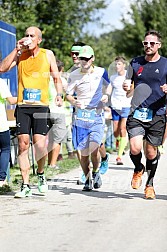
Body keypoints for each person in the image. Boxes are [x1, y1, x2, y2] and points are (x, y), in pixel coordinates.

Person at [0, 26, 63, 197]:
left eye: (32, 36)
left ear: (39, 40)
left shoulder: (47, 54)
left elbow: (56, 77)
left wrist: (59, 94)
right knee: (23, 144)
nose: (28, 38)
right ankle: (25, 184)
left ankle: (41, 174)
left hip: (41, 106)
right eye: (26, 35)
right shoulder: (20, 55)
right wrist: (16, 49)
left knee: (40, 145)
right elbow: (2, 68)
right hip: (23, 106)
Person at [123, 30, 167, 199]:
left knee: (150, 152)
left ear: (159, 45)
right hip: (137, 111)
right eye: (145, 43)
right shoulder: (135, 63)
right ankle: (138, 168)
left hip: (157, 113)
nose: (148, 46)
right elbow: (129, 88)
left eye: (152, 43)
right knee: (134, 147)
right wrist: (126, 88)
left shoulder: (165, 64)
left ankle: (150, 184)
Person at [66, 45, 110, 191]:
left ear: (92, 59)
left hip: (96, 115)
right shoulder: (74, 75)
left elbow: (109, 86)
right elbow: (68, 94)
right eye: (81, 58)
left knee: (94, 148)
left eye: (87, 58)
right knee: (83, 153)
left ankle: (96, 172)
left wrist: (106, 95)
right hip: (80, 117)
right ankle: (87, 178)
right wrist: (73, 101)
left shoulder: (101, 72)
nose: (84, 61)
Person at [109, 56, 131, 165]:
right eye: (115, 64)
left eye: (119, 64)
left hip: (126, 105)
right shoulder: (113, 77)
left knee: (123, 129)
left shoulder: (129, 76)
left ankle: (119, 157)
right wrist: (105, 96)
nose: (117, 66)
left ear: (124, 65)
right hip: (115, 106)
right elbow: (109, 89)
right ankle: (118, 141)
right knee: (115, 132)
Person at [47, 59, 67, 168]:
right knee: (58, 139)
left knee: (50, 139)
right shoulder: (61, 80)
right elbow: (68, 92)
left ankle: (49, 162)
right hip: (58, 112)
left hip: (47, 111)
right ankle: (53, 164)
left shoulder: (46, 79)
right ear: (61, 70)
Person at [0, 79, 17, 187]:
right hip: (1, 124)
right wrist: (24, 96)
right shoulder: (1, 82)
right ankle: (1, 179)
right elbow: (11, 101)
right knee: (5, 149)